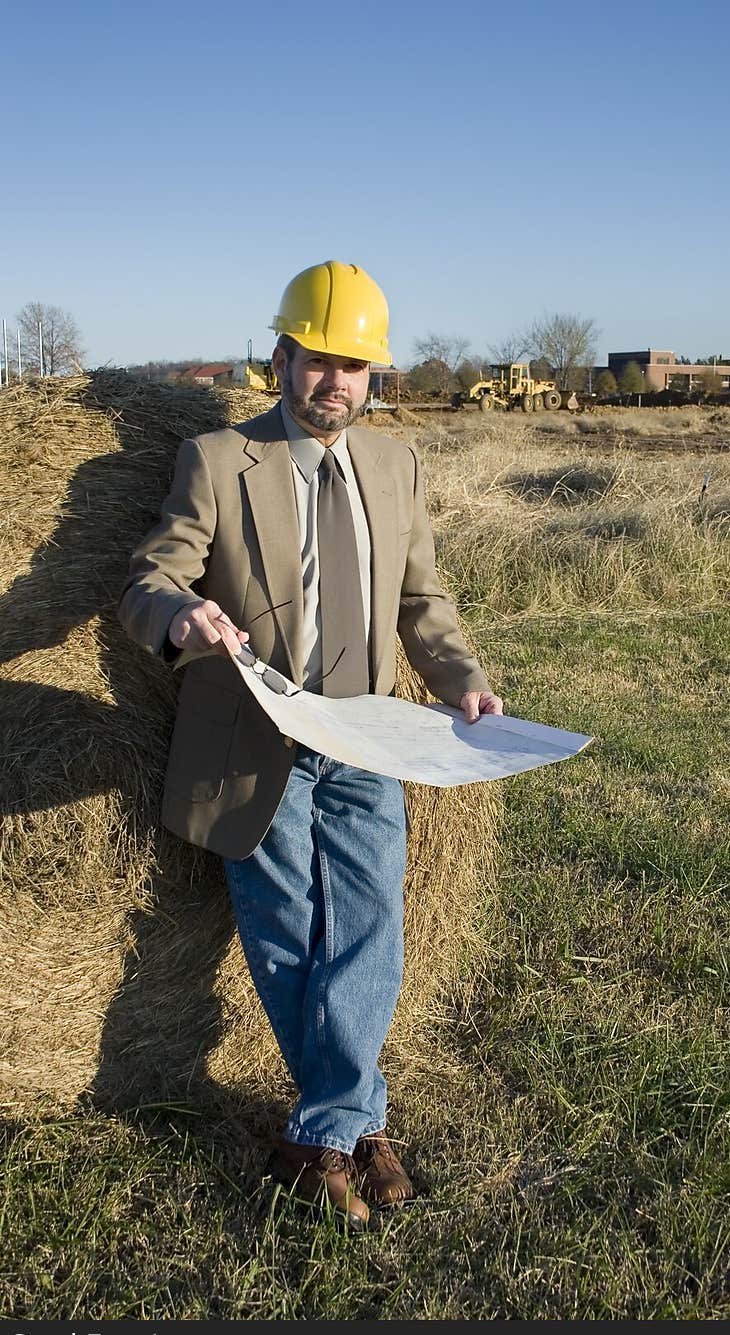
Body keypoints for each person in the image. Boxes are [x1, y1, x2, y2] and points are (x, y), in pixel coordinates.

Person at [118, 261, 502, 1231]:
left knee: (371, 929)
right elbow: (150, 577)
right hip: (256, 735)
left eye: (354, 367)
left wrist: (459, 677)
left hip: (365, 734)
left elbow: (423, 600)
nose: (335, 382)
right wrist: (183, 618)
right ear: (281, 358)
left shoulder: (394, 466)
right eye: (317, 362)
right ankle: (353, 1129)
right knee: (290, 935)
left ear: (375, 377)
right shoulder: (218, 458)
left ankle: (327, 1127)